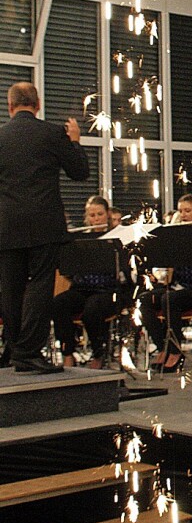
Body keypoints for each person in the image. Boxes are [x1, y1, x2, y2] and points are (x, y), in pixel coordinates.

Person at [0, 82, 89, 373]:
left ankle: (15, 350)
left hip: (6, 224)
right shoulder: (52, 133)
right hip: (43, 223)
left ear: (10, 106)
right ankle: (29, 351)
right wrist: (75, 141)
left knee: (10, 288)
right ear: (38, 105)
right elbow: (79, 172)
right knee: (39, 284)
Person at [139, 194, 192, 372]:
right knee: (144, 299)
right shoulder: (175, 234)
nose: (183, 215)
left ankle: (175, 351)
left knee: (169, 299)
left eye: (188, 211)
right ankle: (163, 346)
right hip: (177, 287)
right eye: (180, 211)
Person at [52, 196, 120, 369]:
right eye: (92, 215)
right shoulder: (79, 239)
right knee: (59, 303)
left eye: (99, 214)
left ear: (108, 215)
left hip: (108, 290)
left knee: (92, 308)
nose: (96, 219)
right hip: (82, 288)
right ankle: (68, 353)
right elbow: (67, 271)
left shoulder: (117, 238)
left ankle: (99, 353)